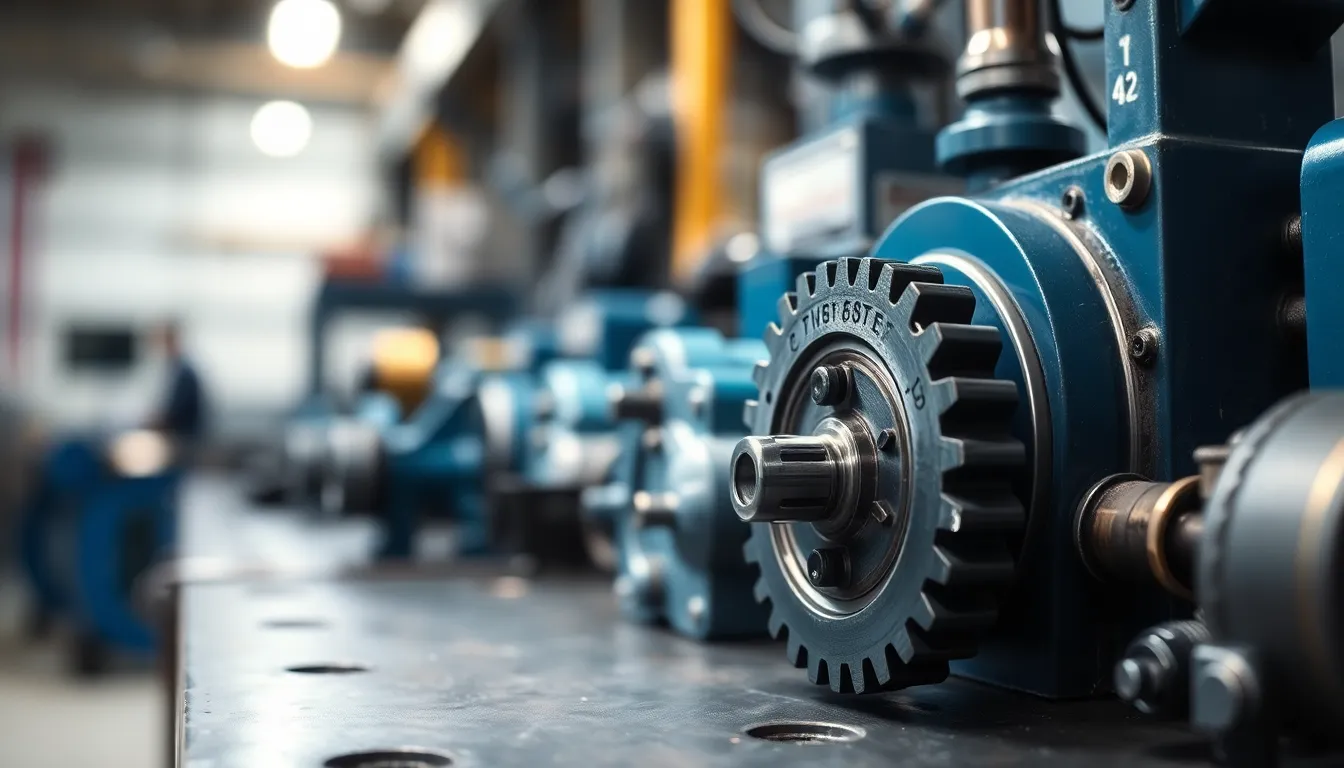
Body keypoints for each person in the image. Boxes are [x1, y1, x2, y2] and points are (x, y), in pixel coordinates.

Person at [148, 322, 208, 443]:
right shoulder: (176, 368)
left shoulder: (183, 372)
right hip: (181, 436)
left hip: (184, 439)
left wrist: (151, 422)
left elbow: (174, 412)